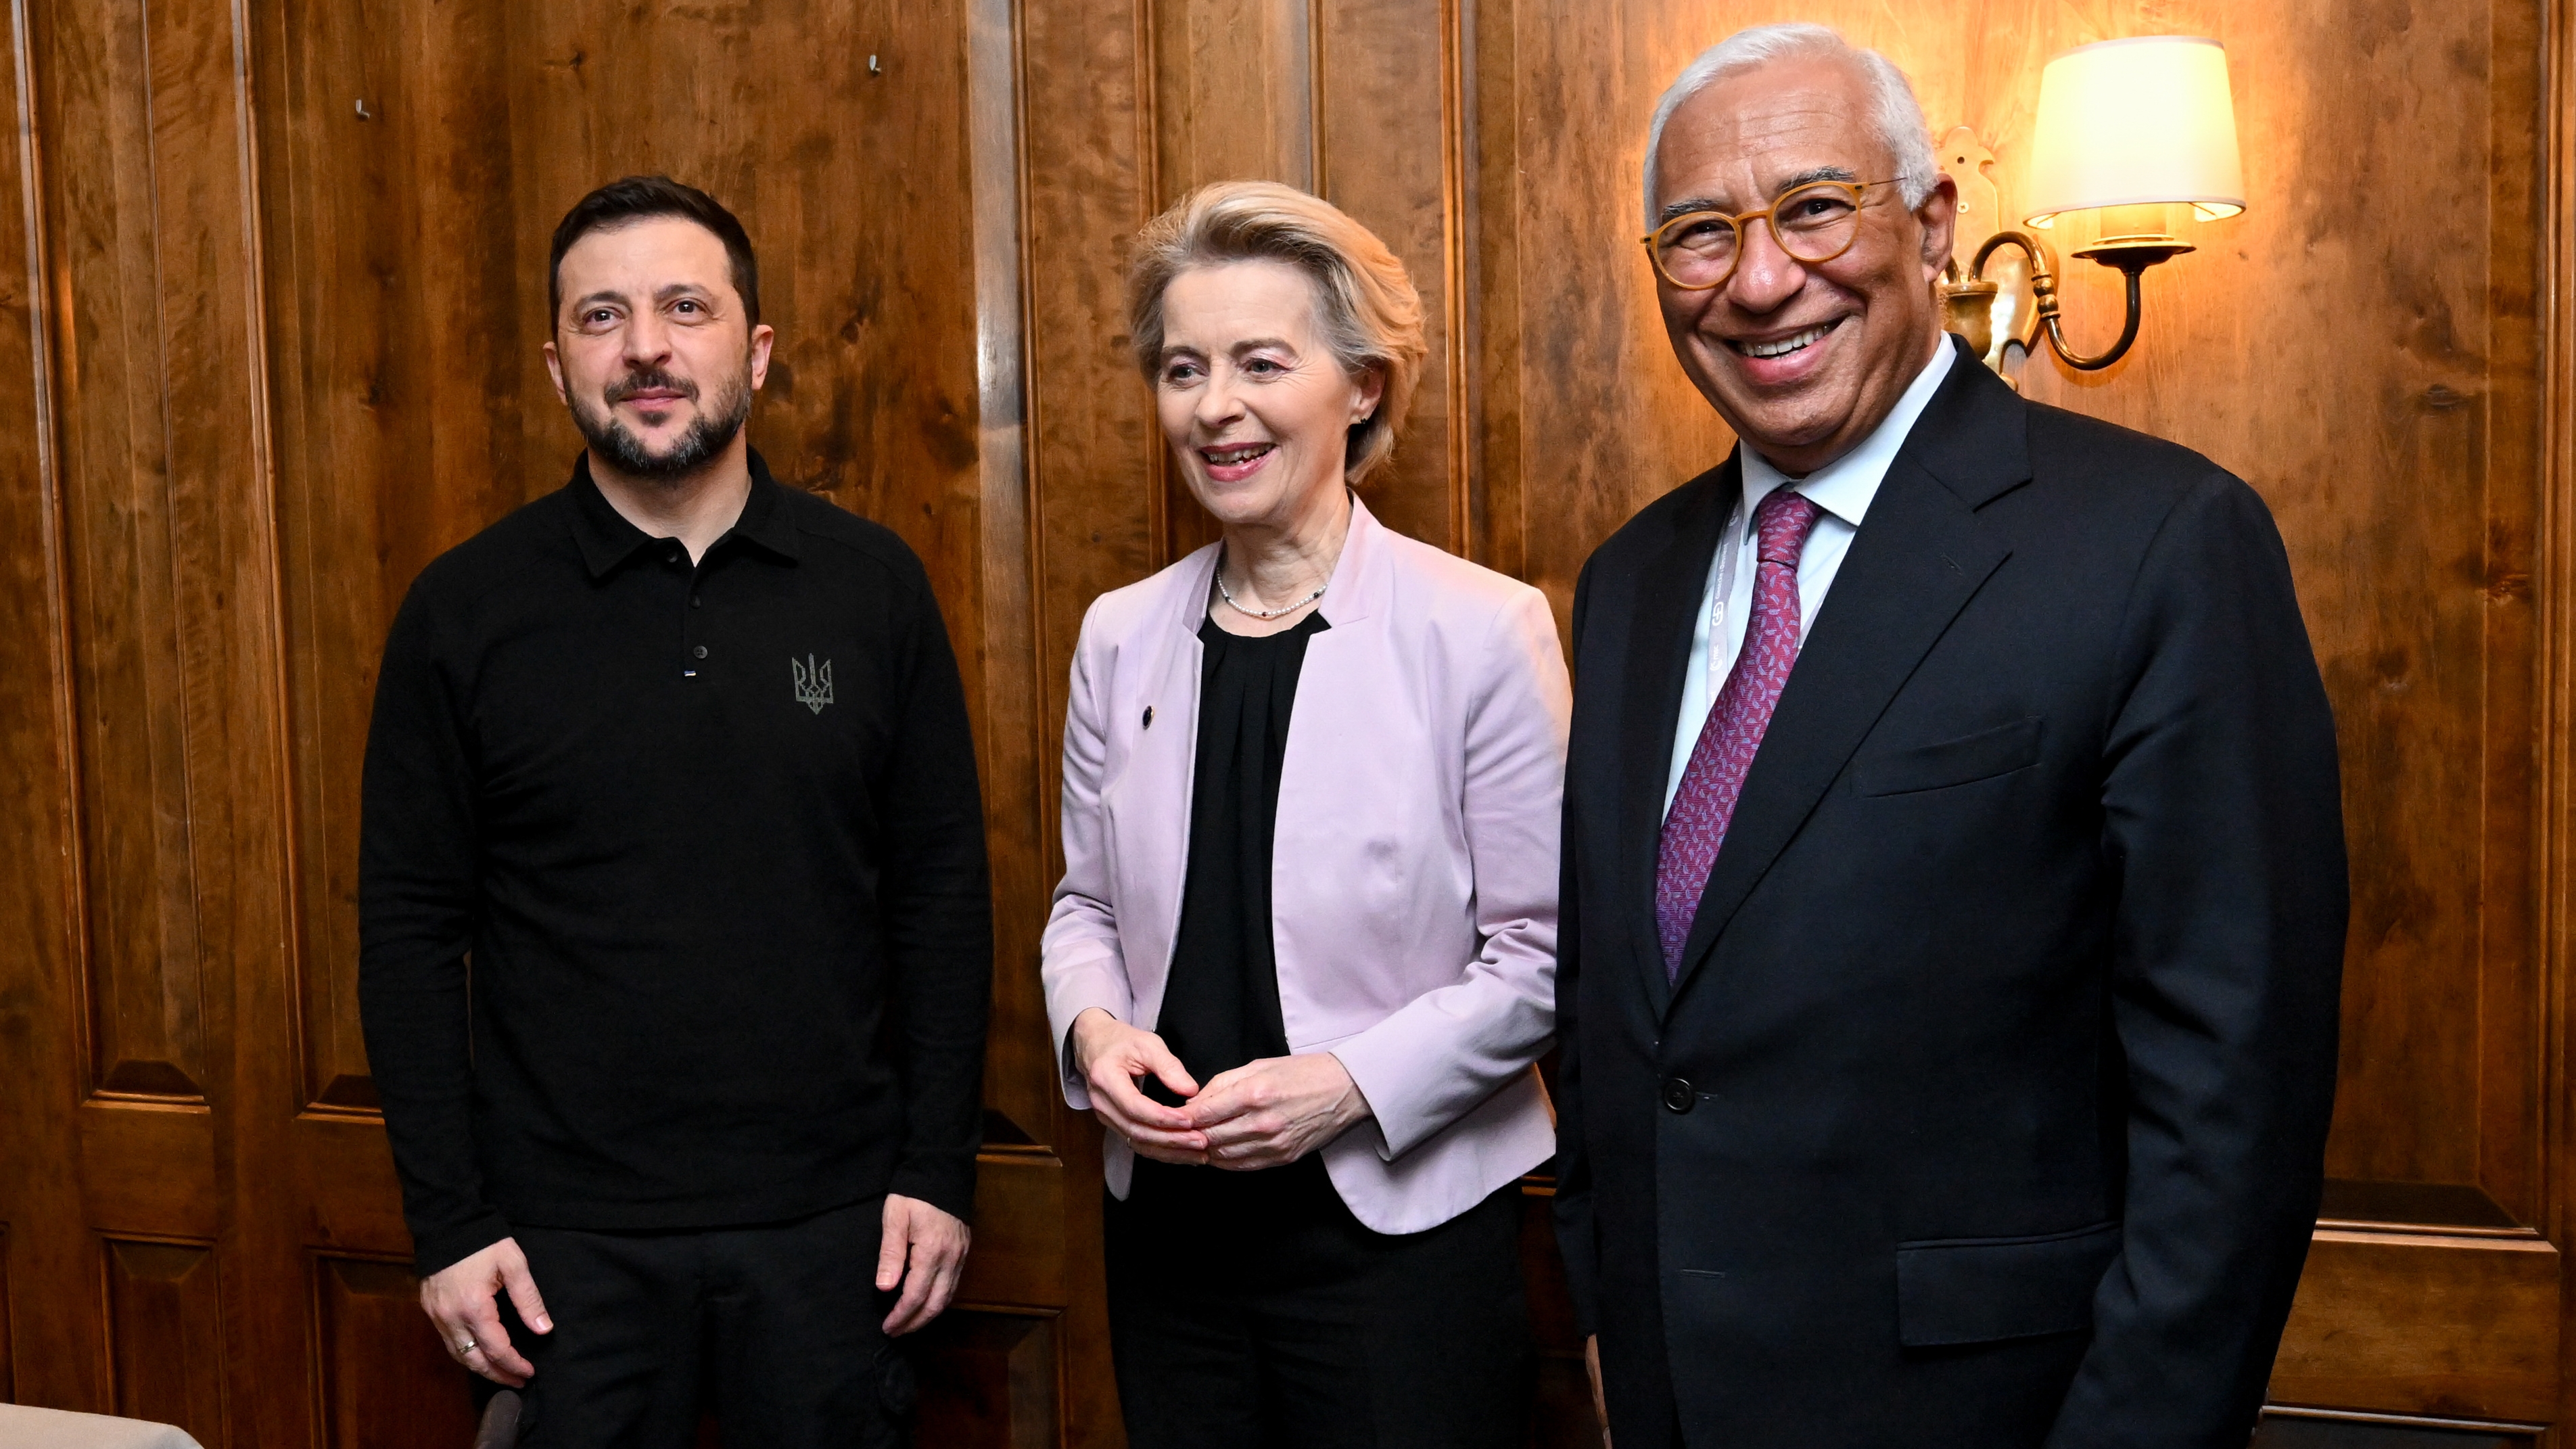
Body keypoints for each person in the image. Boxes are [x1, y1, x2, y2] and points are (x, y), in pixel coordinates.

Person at [1551, 24, 2347, 1449]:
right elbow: (1622, 1016)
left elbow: (2234, 1097)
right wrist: (1608, 1313)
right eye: (1698, 233)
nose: (1758, 279)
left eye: (1811, 207)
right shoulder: (1632, 578)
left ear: (1930, 228)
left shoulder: (2158, 542)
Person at [358, 175, 991, 1448]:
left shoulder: (870, 587)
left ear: (753, 349)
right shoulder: (465, 611)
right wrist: (450, 1220)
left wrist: (935, 1169)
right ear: (558, 365)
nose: (644, 347)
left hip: (836, 1237)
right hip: (556, 1254)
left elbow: (939, 894)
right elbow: (410, 928)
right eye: (602, 317)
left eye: (683, 307)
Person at [1040, 181, 1569, 1448]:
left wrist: (1343, 1084)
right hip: (1170, 1242)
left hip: (1401, 1242)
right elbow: (1084, 905)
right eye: (1182, 368)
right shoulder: (1118, 636)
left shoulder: (1479, 628)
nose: (1214, 405)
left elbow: (1546, 959)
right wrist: (1093, 1032)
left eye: (1260, 363)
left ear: (1363, 385)